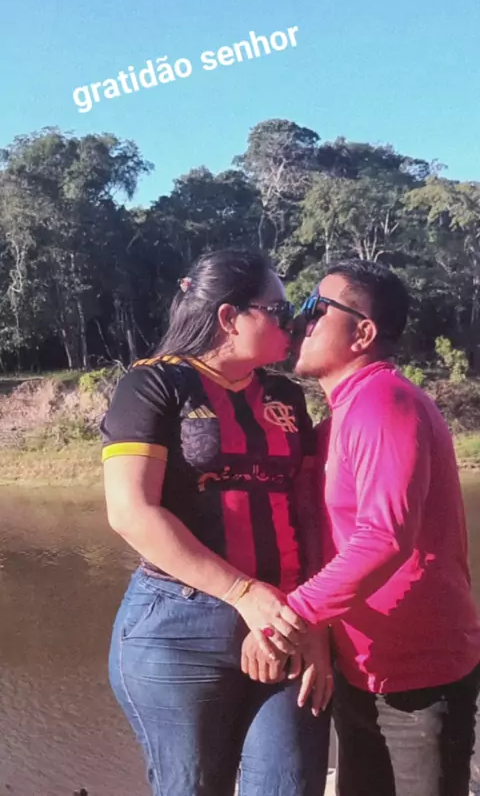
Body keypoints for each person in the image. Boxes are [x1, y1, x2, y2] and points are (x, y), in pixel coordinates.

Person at [100, 248, 332, 796]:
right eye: (278, 310)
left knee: (290, 781)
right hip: (178, 628)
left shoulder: (284, 396)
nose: (293, 322)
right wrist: (242, 593)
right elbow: (131, 511)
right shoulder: (153, 385)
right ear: (229, 317)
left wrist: (317, 627)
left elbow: (307, 511)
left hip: (285, 619)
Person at [275, 258, 480, 796]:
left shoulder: (383, 402)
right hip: (361, 668)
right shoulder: (340, 418)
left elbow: (385, 537)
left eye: (316, 308)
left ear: (363, 333)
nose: (302, 321)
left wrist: (288, 617)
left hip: (419, 678)